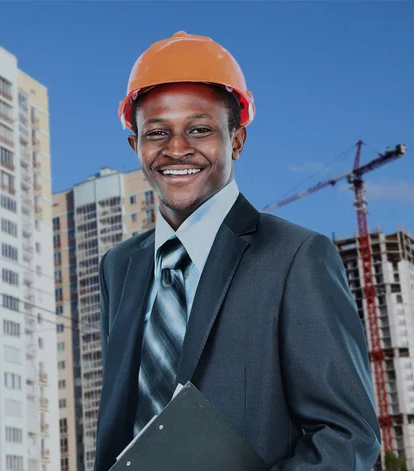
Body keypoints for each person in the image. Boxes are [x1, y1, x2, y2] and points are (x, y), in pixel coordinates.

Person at [93, 31, 381, 470]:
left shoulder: (296, 257)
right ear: (136, 146)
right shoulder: (119, 266)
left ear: (237, 141)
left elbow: (348, 439)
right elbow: (121, 426)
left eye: (200, 129)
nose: (176, 149)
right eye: (157, 132)